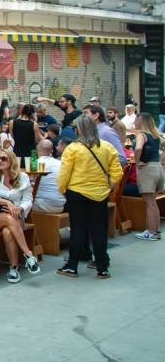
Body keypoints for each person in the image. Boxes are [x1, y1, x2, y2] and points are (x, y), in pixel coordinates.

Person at [56, 115, 123, 278]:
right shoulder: (107, 147)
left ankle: (72, 265)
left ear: (79, 129)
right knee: (99, 231)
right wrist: (109, 187)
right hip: (100, 194)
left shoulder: (72, 148)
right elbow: (117, 172)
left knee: (77, 229)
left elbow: (64, 173)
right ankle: (102, 267)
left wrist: (62, 189)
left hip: (76, 192)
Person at [0, 149, 41, 283]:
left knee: (7, 232)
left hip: (17, 216)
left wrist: (20, 208)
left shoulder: (23, 177)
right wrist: (7, 203)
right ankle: (28, 255)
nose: (0, 161)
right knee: (8, 219)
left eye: (3, 158)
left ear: (11, 160)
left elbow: (28, 199)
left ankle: (13, 269)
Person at [131, 112, 164, 241]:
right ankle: (155, 230)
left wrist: (137, 162)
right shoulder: (156, 135)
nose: (134, 122)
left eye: (136, 120)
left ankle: (150, 232)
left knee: (149, 202)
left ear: (141, 121)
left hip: (148, 169)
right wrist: (161, 160)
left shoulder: (141, 135)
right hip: (158, 167)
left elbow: (138, 148)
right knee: (153, 201)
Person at [30, 139, 65, 213]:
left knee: (17, 202)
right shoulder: (60, 163)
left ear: (37, 149)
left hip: (42, 205)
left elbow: (30, 183)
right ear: (51, 151)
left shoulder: (35, 163)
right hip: (60, 205)